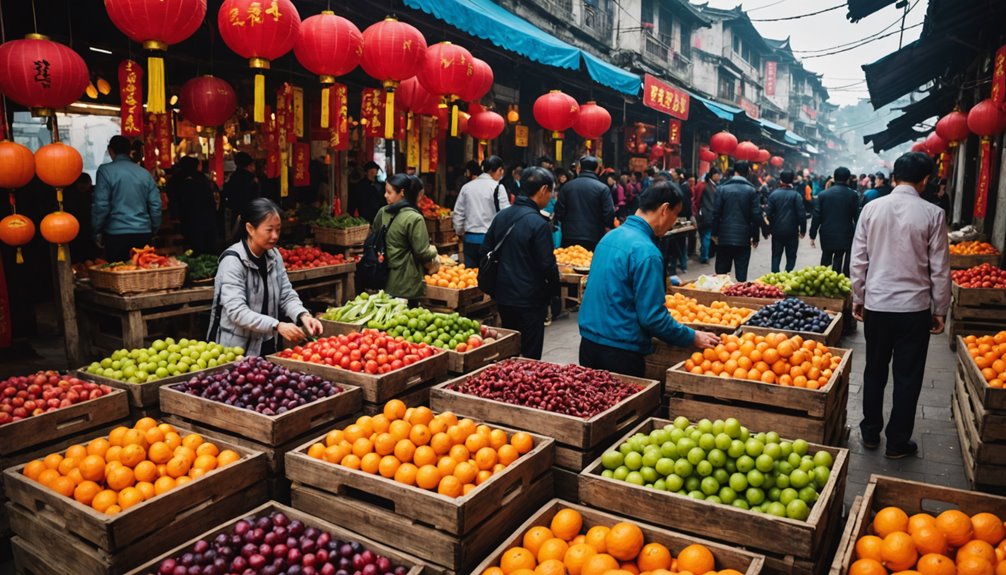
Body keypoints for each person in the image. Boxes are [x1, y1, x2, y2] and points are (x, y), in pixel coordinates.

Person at [850, 152, 950, 459]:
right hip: (914, 309)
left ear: (894, 177)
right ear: (925, 181)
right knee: (908, 376)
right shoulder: (933, 214)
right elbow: (940, 268)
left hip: (878, 304)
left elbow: (859, 260)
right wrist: (940, 309)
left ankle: (869, 433)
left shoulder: (871, 208)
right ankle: (897, 442)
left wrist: (859, 297)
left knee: (875, 370)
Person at [579, 181, 720, 377]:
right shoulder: (646, 252)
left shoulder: (609, 238)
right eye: (675, 215)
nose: (674, 221)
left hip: (588, 344)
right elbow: (653, 318)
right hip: (620, 352)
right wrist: (692, 336)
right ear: (664, 210)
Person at [208, 198, 323, 357]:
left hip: (268, 345)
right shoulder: (232, 261)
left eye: (278, 229)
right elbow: (237, 312)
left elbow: (286, 294)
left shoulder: (274, 256)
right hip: (235, 351)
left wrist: (303, 315)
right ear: (250, 228)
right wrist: (277, 325)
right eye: (269, 230)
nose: (275, 236)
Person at [480, 167, 560, 359]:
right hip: (530, 299)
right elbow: (547, 265)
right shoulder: (539, 224)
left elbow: (486, 250)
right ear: (543, 190)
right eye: (550, 192)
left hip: (503, 295)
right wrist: (554, 293)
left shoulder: (502, 216)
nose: (550, 197)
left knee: (509, 348)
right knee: (530, 354)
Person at [92, 135, 162, 262]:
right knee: (142, 273)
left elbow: (101, 205)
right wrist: (154, 229)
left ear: (110, 150)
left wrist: (96, 229)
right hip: (143, 232)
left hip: (115, 234)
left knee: (119, 275)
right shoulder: (144, 173)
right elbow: (156, 205)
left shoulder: (105, 171)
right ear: (129, 150)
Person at [372, 174, 439, 302]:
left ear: (402, 192)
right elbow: (422, 252)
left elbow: (374, 235)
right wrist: (434, 250)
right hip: (406, 283)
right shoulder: (414, 218)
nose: (385, 195)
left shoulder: (383, 212)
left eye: (389, 192)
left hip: (383, 277)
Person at [452, 155, 510, 267]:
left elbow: (458, 213)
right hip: (491, 240)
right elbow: (505, 214)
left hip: (469, 239)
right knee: (489, 276)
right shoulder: (498, 188)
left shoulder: (467, 187)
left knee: (470, 276)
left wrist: (459, 232)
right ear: (499, 170)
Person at [711, 161, 760, 282]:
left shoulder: (722, 189)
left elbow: (716, 213)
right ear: (748, 171)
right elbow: (755, 215)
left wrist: (714, 233)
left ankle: (720, 299)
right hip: (743, 238)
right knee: (741, 277)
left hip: (724, 237)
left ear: (734, 171)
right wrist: (756, 236)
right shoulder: (752, 191)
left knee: (721, 275)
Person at [555, 156, 615, 251]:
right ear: (597, 170)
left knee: (568, 262)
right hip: (594, 236)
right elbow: (609, 214)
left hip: (569, 235)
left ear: (579, 169)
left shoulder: (567, 187)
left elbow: (559, 212)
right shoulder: (603, 188)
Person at [810, 167, 859, 277]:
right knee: (839, 257)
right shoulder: (853, 195)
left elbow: (816, 216)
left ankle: (823, 280)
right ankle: (836, 281)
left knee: (826, 256)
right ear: (847, 179)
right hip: (846, 233)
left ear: (834, 178)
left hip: (826, 233)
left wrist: (812, 235)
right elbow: (857, 217)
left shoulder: (823, 195)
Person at [167, 156, 218, 255]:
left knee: (191, 246)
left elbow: (172, 198)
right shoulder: (202, 178)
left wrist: (175, 216)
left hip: (186, 217)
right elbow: (210, 197)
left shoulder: (175, 179)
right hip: (205, 218)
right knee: (206, 247)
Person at [764, 170, 806, 273]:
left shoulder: (773, 195)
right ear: (792, 180)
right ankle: (788, 274)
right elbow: (801, 214)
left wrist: (766, 230)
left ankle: (775, 277)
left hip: (777, 231)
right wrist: (803, 230)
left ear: (781, 180)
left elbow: (767, 214)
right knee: (791, 255)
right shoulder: (796, 195)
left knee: (776, 255)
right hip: (792, 231)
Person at [222, 152, 261, 240]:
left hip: (235, 213)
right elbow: (257, 198)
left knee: (237, 239)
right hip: (250, 214)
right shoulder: (252, 179)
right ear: (249, 165)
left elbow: (226, 193)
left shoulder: (232, 177)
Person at [64, 173, 97, 262]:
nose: (83, 189)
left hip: (87, 229)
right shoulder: (68, 194)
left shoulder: (94, 192)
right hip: (73, 229)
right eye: (81, 187)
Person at [693, 167, 721, 264]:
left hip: (706, 215)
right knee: (706, 236)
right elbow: (697, 200)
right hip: (706, 215)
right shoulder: (705, 186)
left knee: (705, 235)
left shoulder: (711, 185)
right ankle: (704, 256)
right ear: (713, 175)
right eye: (718, 175)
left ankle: (704, 254)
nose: (719, 177)